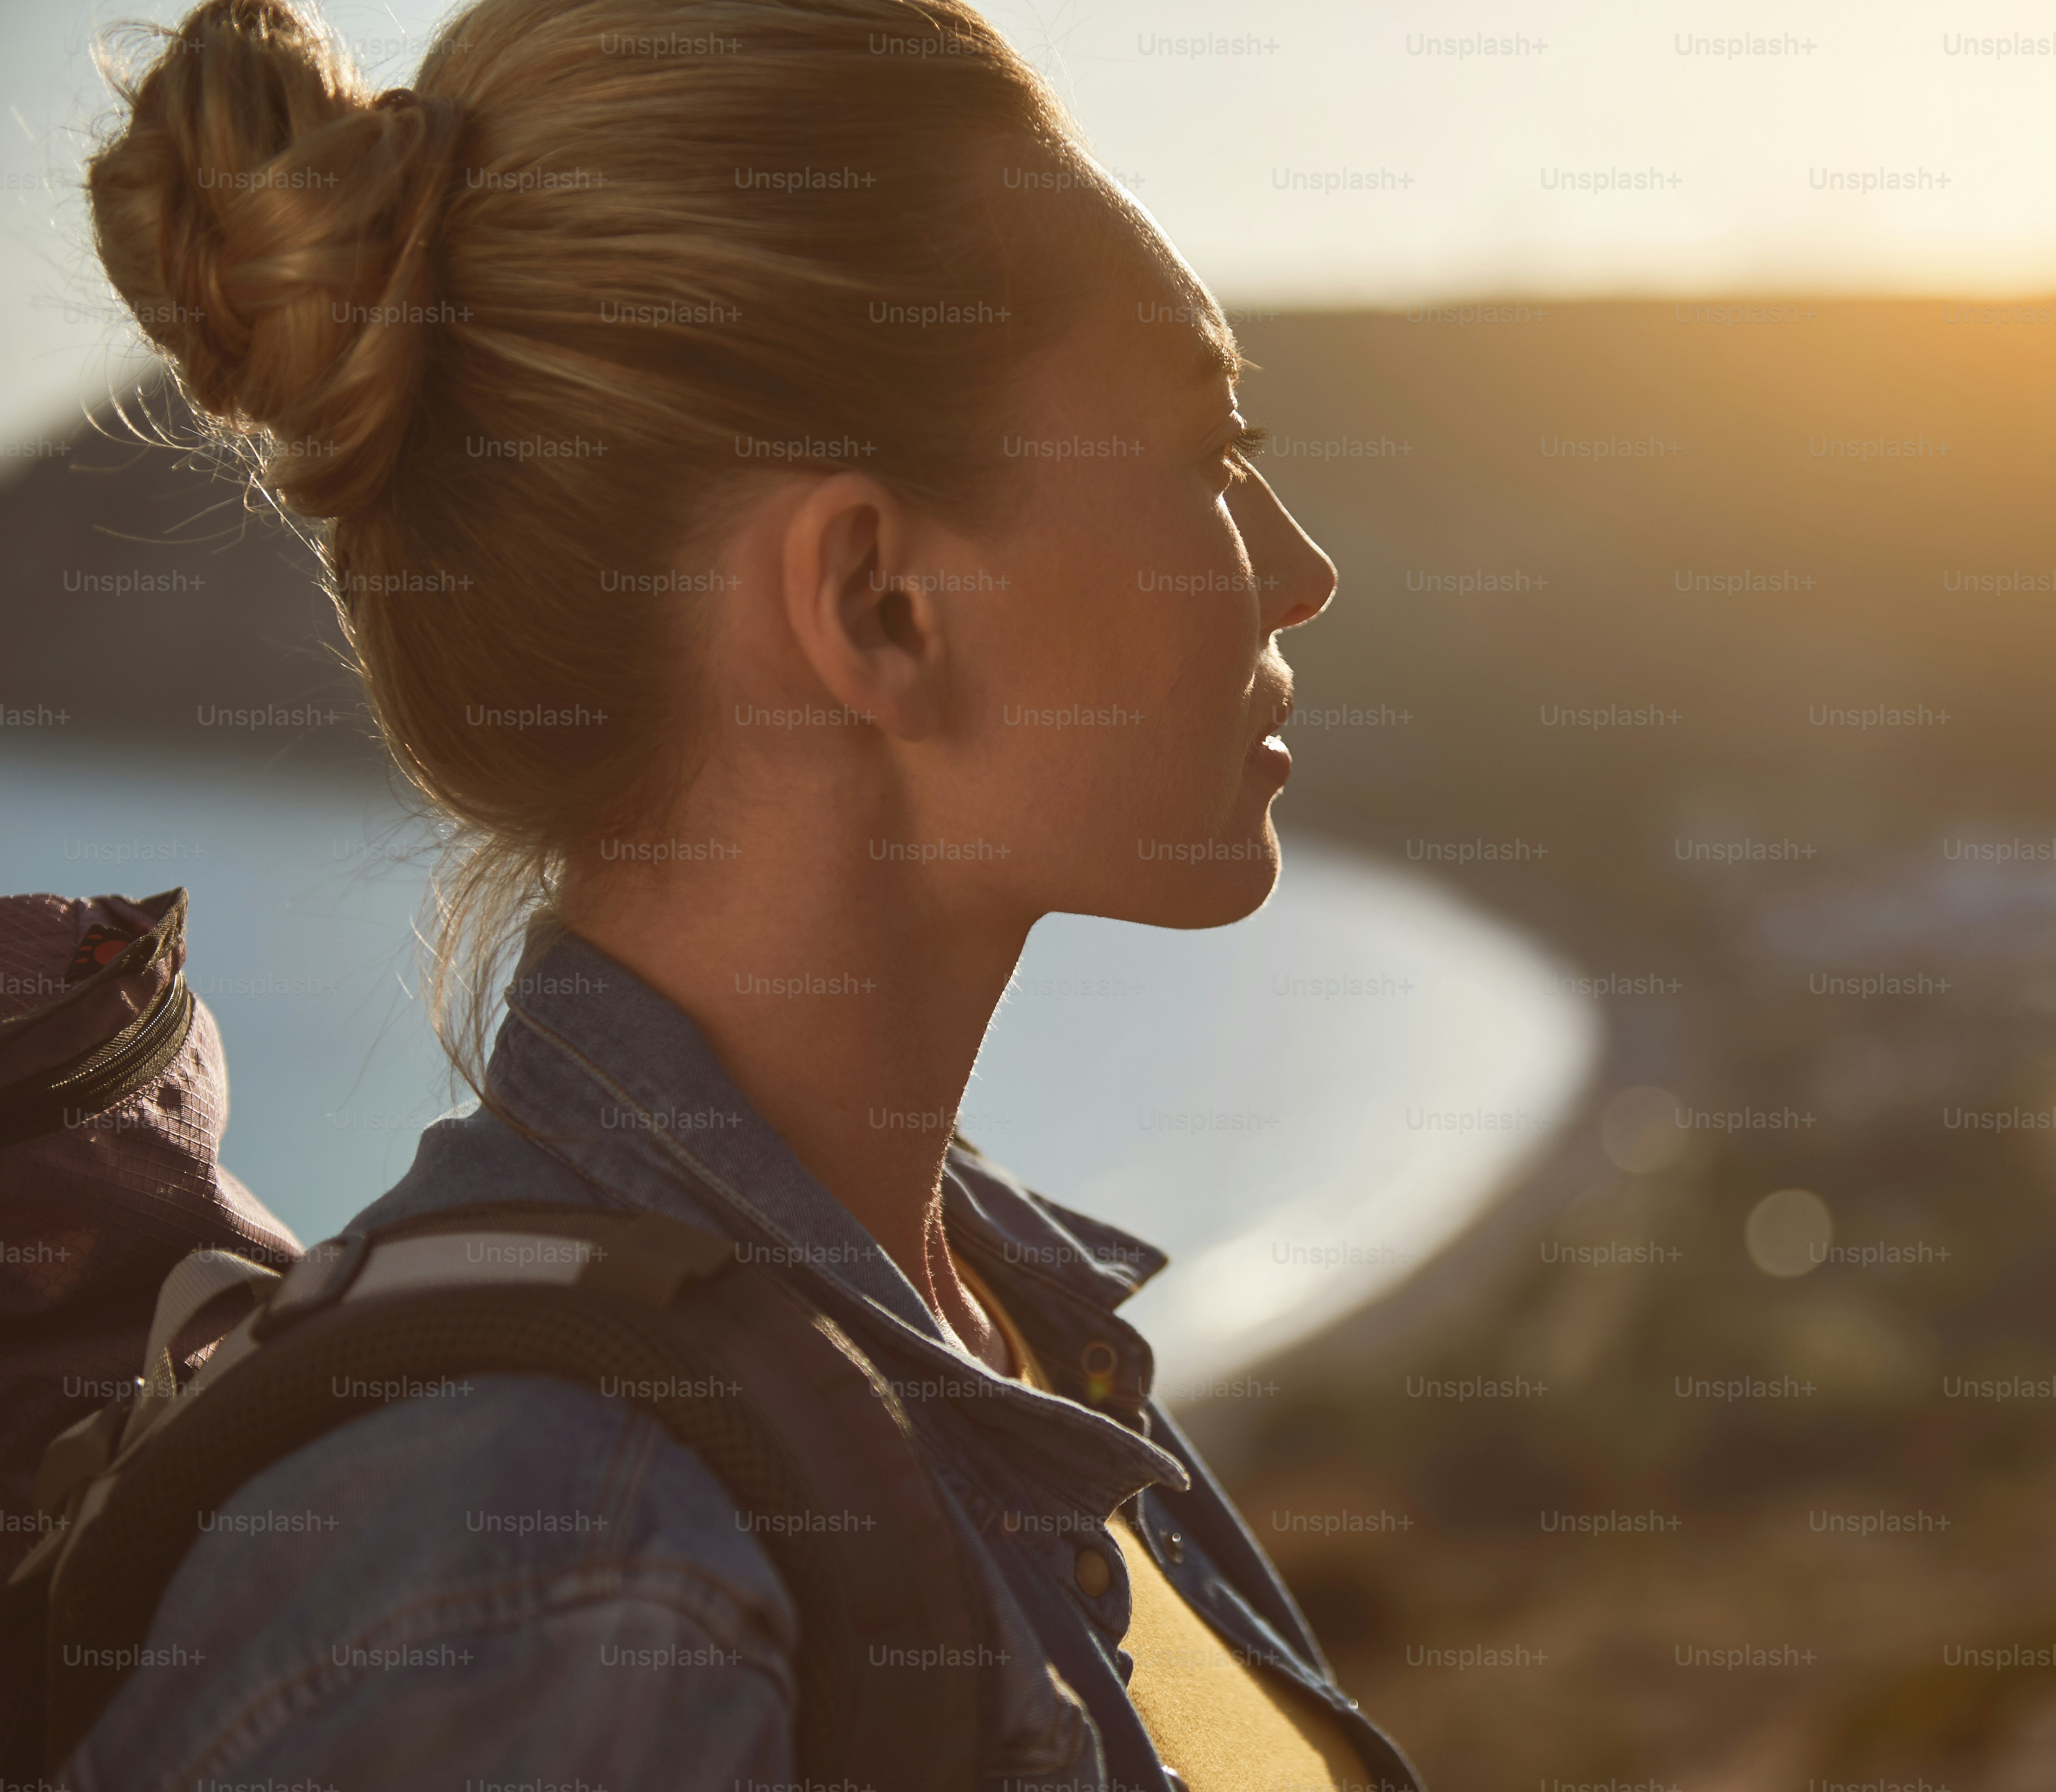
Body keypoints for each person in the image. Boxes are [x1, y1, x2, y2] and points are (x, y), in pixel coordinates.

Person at [71, 0, 1410, 1785]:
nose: (1299, 572)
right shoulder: (553, 1591)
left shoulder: (990, 1331)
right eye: (1203, 448)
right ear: (873, 601)